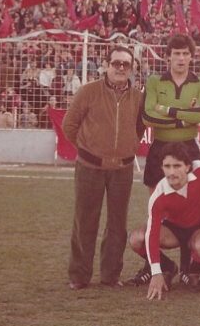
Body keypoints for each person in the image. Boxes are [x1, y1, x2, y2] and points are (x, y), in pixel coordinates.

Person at [129, 34, 200, 286]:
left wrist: (169, 111)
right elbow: (148, 116)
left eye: (186, 53)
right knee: (157, 205)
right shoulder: (155, 81)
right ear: (168, 56)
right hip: (160, 146)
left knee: (191, 205)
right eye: (176, 53)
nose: (181, 58)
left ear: (191, 57)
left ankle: (188, 268)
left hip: (188, 146)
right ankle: (158, 266)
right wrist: (183, 118)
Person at [62, 45, 144, 290]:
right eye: (116, 63)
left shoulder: (138, 97)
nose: (120, 68)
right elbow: (69, 126)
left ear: (132, 69)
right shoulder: (88, 92)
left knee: (118, 223)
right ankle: (79, 276)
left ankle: (110, 275)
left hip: (123, 169)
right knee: (85, 221)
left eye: (126, 64)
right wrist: (88, 149)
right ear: (106, 65)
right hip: (90, 167)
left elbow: (140, 128)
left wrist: (128, 146)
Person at [127, 142, 200, 299]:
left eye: (177, 166)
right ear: (162, 167)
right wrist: (156, 272)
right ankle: (168, 267)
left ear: (187, 166)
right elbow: (152, 232)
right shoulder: (160, 193)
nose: (172, 172)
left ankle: (193, 270)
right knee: (136, 238)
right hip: (173, 229)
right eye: (167, 166)